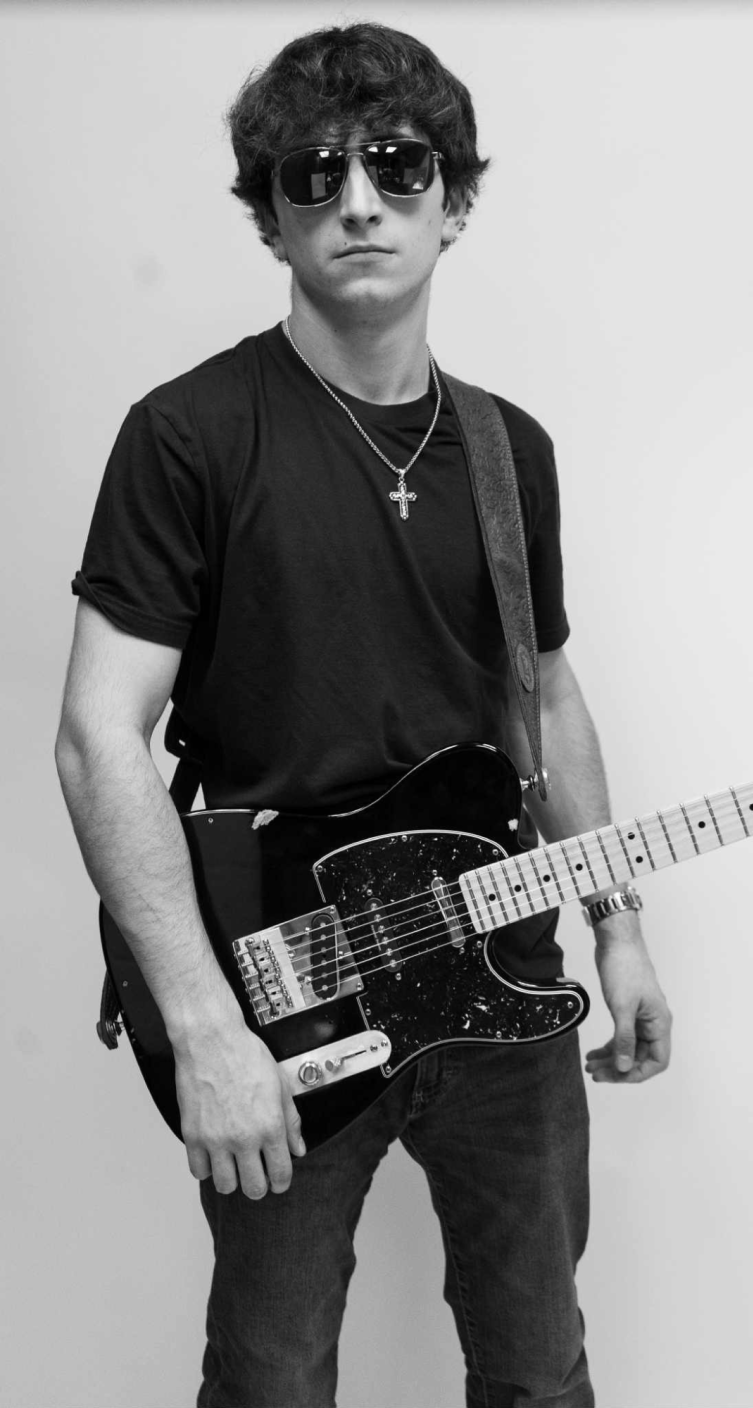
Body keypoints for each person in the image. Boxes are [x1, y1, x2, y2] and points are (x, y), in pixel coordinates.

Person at [55, 21, 672, 1408]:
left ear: (456, 201)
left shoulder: (512, 453)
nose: (357, 200)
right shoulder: (189, 436)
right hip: (281, 989)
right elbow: (101, 740)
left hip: (507, 970)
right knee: (272, 1378)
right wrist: (205, 1029)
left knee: (539, 1365)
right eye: (311, 174)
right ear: (267, 217)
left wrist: (621, 926)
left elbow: (544, 693)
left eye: (398, 166)